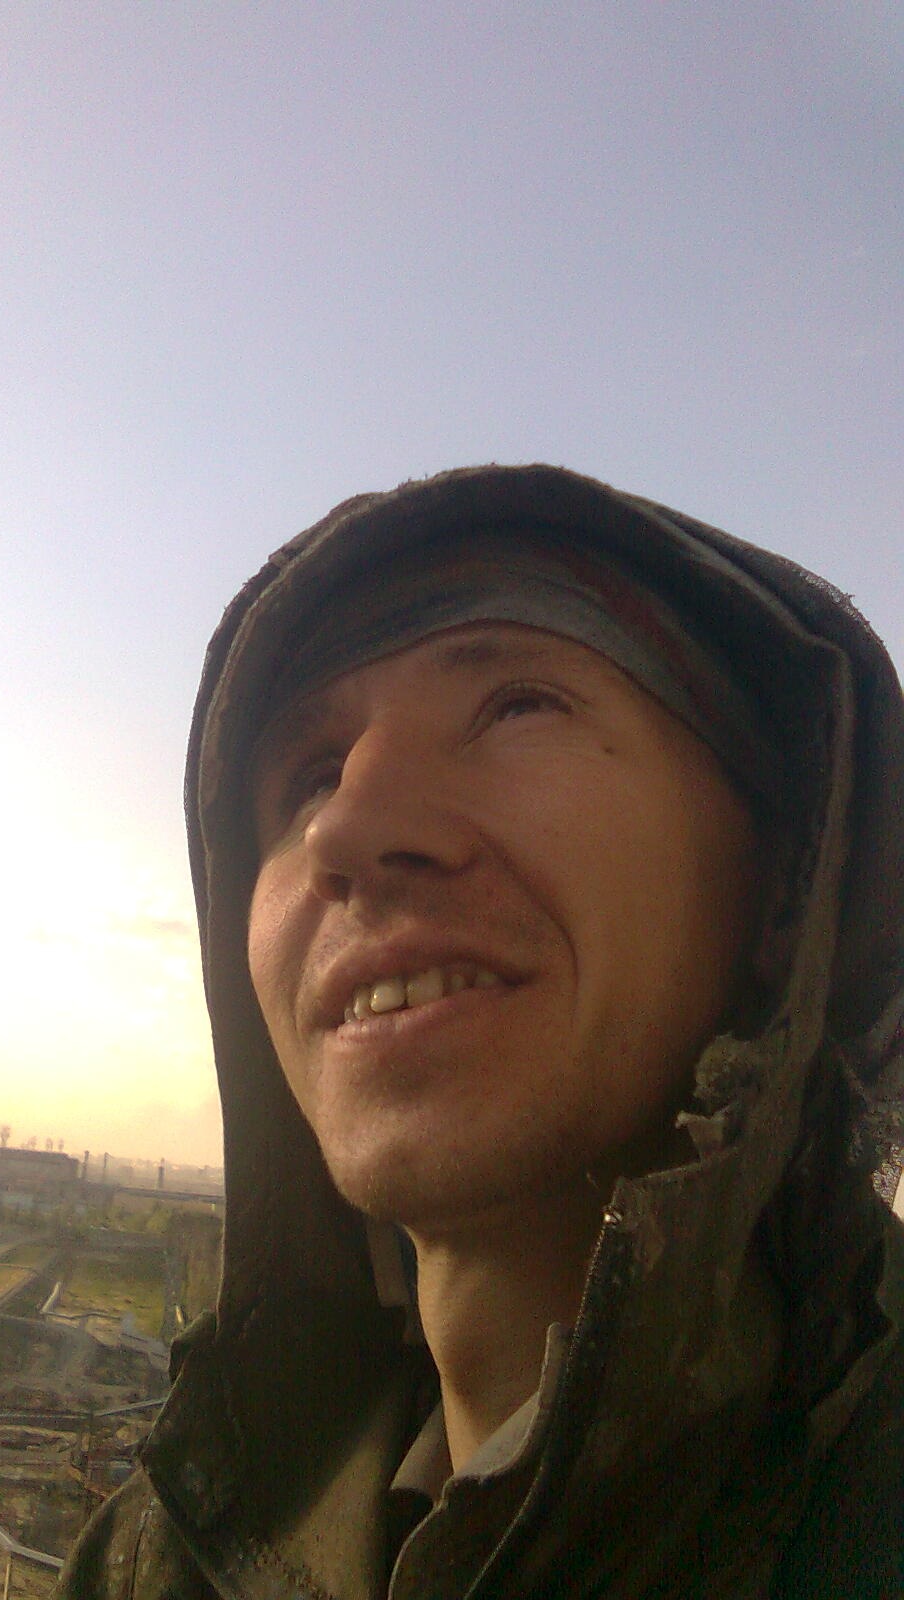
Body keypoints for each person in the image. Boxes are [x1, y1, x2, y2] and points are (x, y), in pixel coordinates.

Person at [60, 465, 904, 1598]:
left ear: (783, 881)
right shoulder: (151, 1561)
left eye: (519, 705)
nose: (347, 829)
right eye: (308, 778)